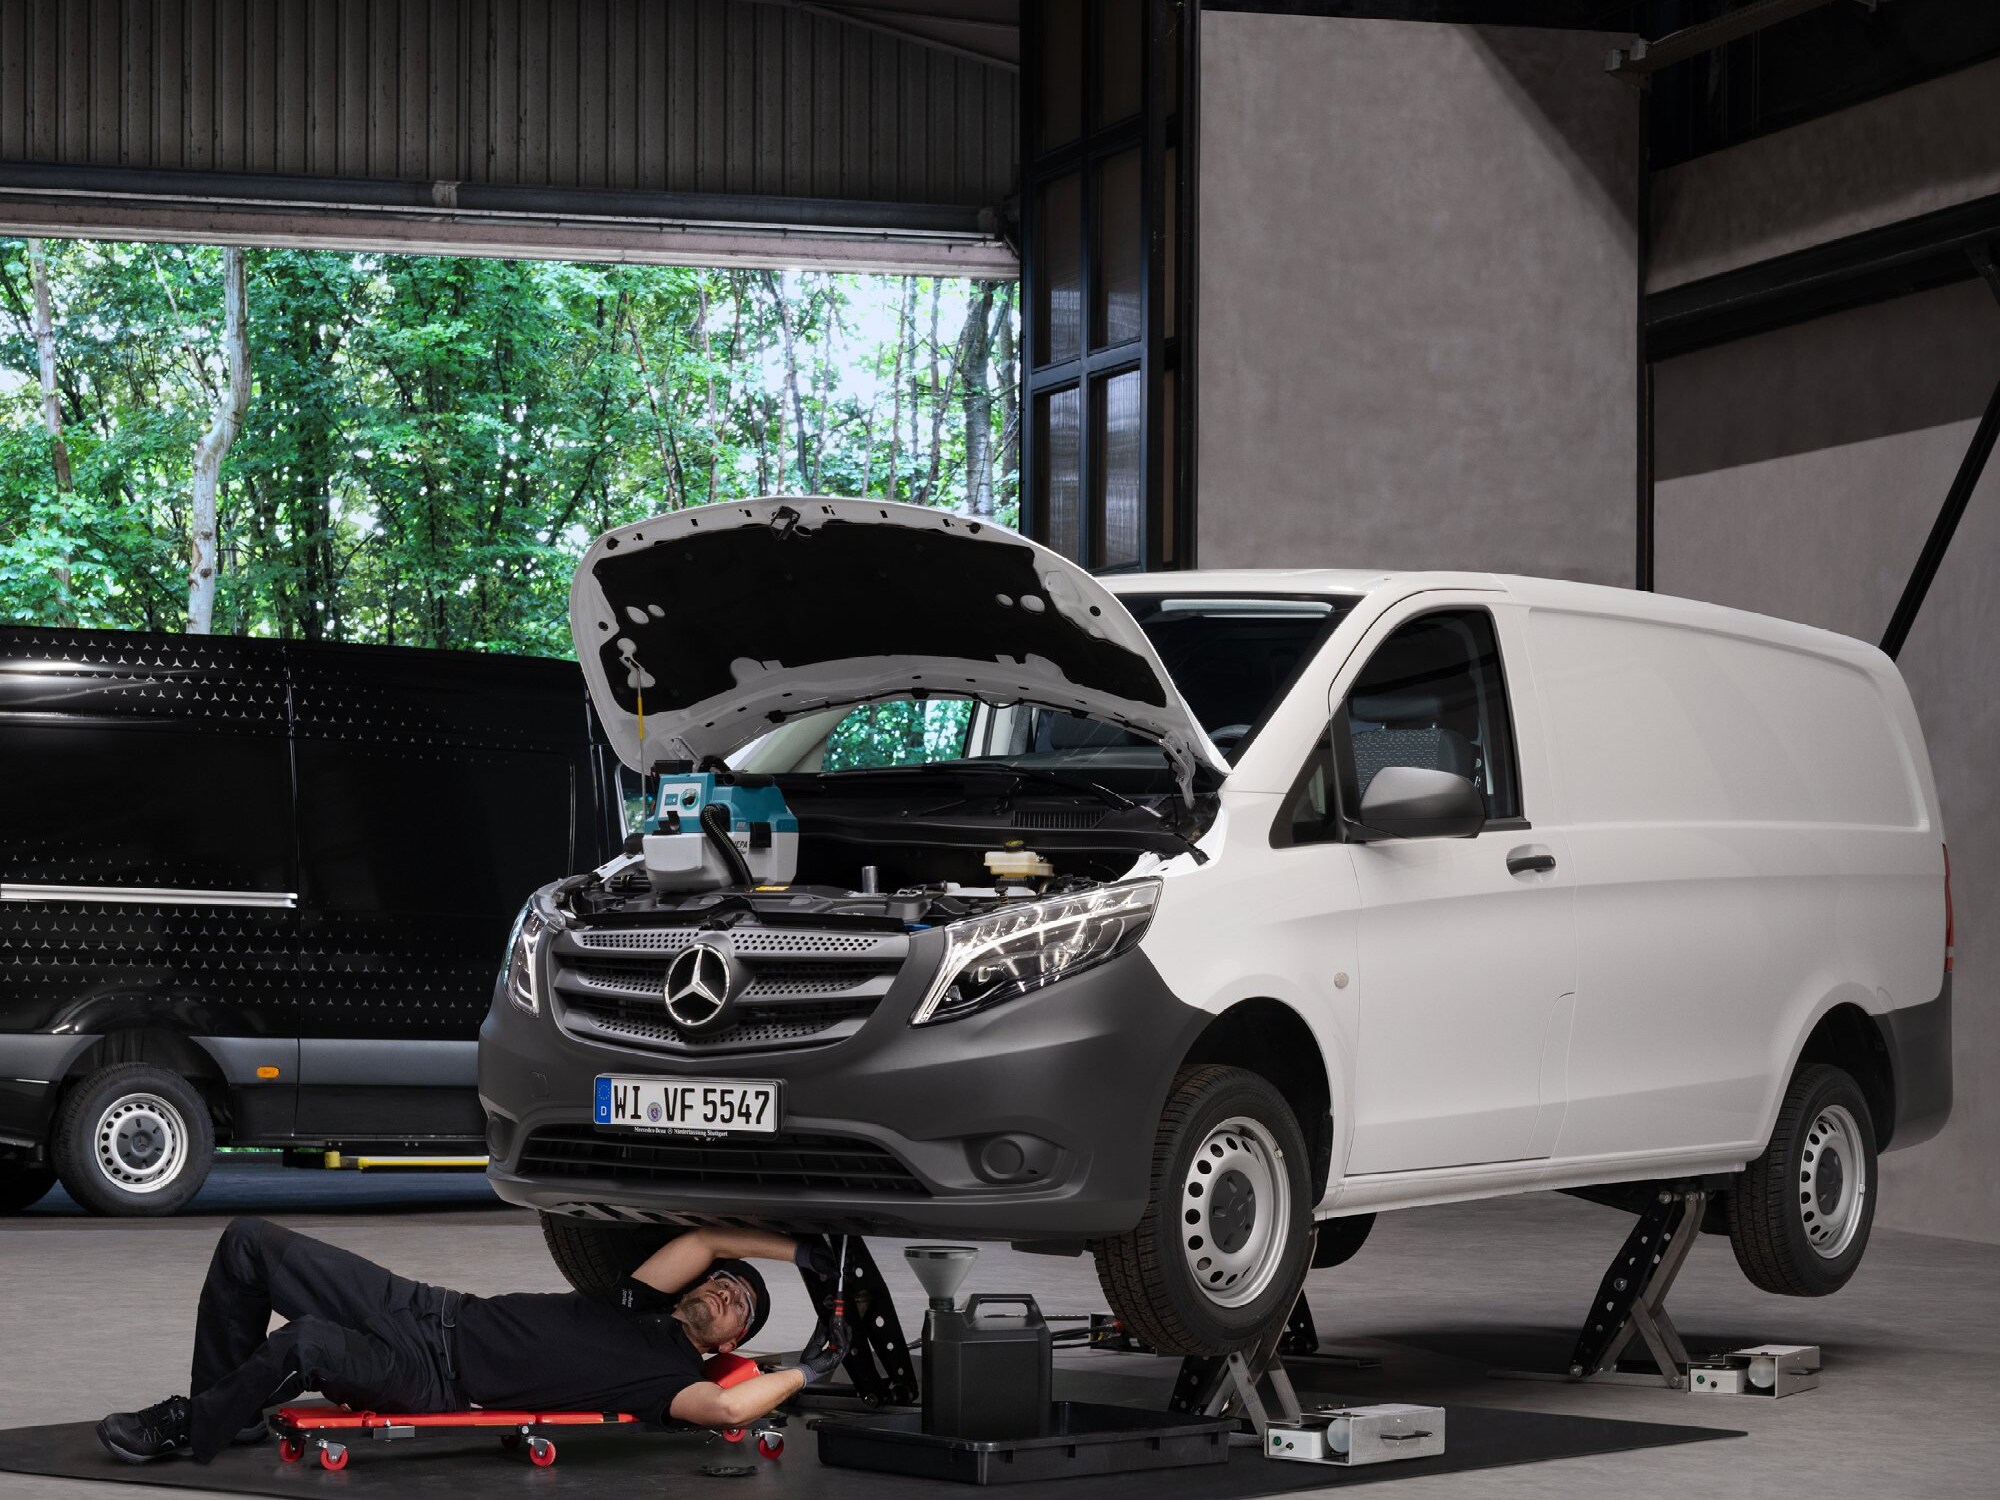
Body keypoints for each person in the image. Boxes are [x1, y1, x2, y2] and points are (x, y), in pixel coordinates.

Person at [95, 1216, 849, 1464]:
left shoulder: (671, 1384)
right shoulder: (637, 1302)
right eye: (723, 1282)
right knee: (249, 1242)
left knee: (307, 1343)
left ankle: (192, 1427)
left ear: (732, 1341)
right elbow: (709, 1238)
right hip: (425, 1306)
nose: (724, 1292)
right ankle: (223, 1413)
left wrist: (809, 1369)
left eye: (739, 1306)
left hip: (433, 1379)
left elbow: (726, 1413)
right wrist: (801, 1252)